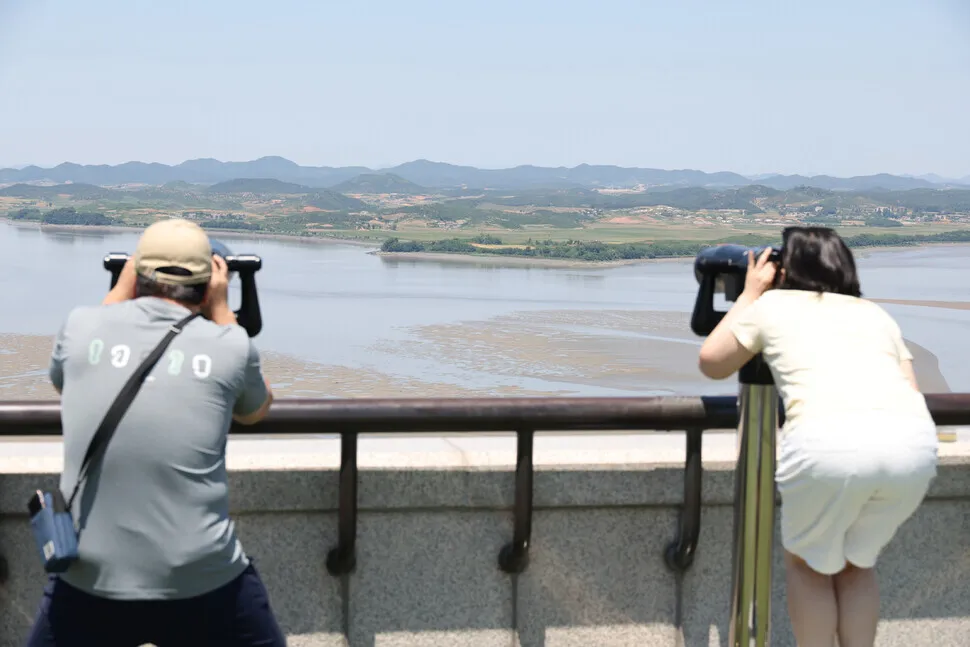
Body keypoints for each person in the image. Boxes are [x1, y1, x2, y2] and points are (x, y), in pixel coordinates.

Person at [26, 219, 285, 647]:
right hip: (203, 577)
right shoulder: (230, 345)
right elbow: (255, 410)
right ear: (209, 283)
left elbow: (64, 378)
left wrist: (124, 282)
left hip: (89, 576)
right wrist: (222, 313)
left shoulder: (79, 327)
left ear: (135, 273)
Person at [697, 226, 938, 647]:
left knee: (809, 567)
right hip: (912, 449)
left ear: (783, 269)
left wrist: (751, 294)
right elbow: (910, 389)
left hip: (827, 447)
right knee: (857, 567)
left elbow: (713, 362)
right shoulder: (873, 313)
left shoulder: (771, 306)